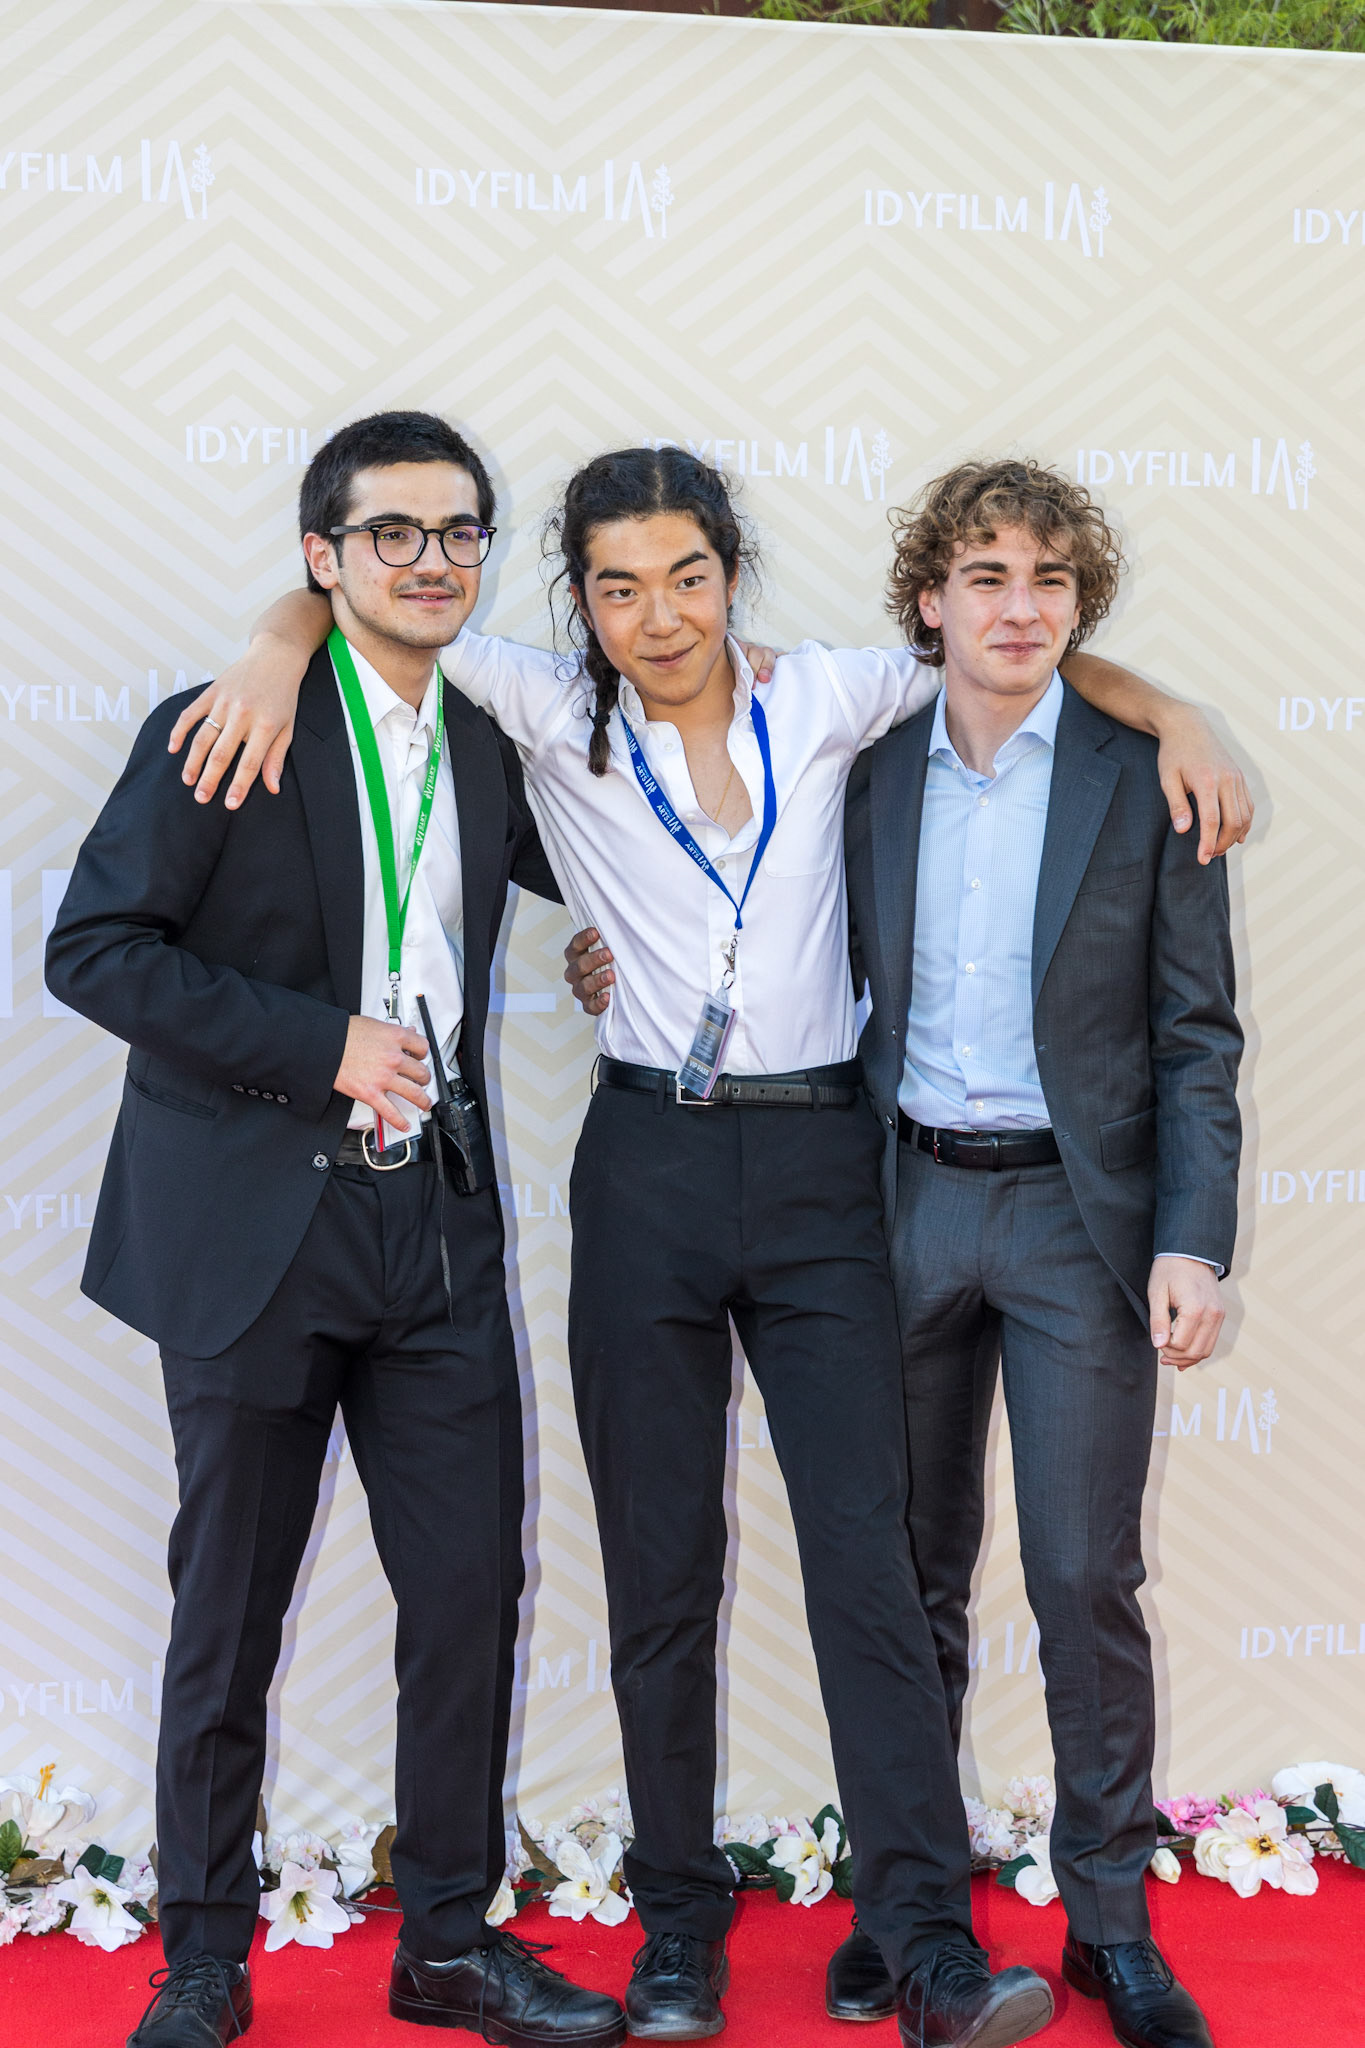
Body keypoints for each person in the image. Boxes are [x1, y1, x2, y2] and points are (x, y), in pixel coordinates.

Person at [173, 444, 1248, 2048]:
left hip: (823, 1176)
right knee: (659, 1574)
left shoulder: (827, 695)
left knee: (869, 1572)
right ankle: (677, 1930)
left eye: (686, 576)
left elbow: (1007, 648)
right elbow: (378, 608)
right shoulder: (544, 707)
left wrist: (1178, 712)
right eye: (617, 587)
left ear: (731, 575)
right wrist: (276, 640)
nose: (657, 614)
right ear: (581, 602)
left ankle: (926, 1947)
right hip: (646, 1174)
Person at [45, 412, 627, 2048]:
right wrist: (322, 1046)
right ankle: (202, 1958)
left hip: (432, 1232)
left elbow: (616, 847)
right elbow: (95, 951)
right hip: (253, 1235)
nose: (430, 561)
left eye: (458, 533)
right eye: (390, 534)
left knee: (469, 1599)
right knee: (227, 1613)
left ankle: (445, 1943)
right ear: (324, 555)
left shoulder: (492, 743)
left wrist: (603, 951)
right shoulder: (230, 724)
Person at [816, 459, 1238, 2048]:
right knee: (903, 1584)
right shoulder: (857, 766)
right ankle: (907, 1911)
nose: (1017, 606)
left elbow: (1195, 1037)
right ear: (929, 597)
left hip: (1078, 1223)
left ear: (1078, 604)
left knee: (1080, 1579)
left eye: (1048, 580)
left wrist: (1190, 1241)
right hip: (897, 1206)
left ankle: (1108, 1927)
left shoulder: (1147, 778)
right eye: (984, 574)